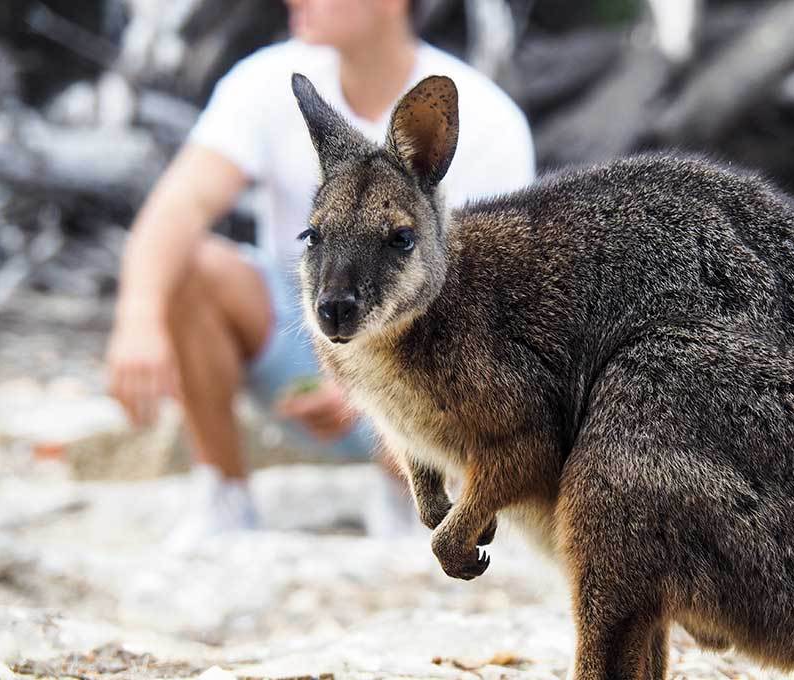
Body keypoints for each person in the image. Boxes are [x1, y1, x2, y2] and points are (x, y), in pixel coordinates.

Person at [105, 0, 535, 545]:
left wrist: (368, 374)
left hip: (416, 362)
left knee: (458, 328)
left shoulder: (485, 120)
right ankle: (223, 497)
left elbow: (493, 296)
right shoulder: (269, 79)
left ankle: (410, 494)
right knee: (195, 265)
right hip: (305, 335)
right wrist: (138, 321)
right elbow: (180, 205)